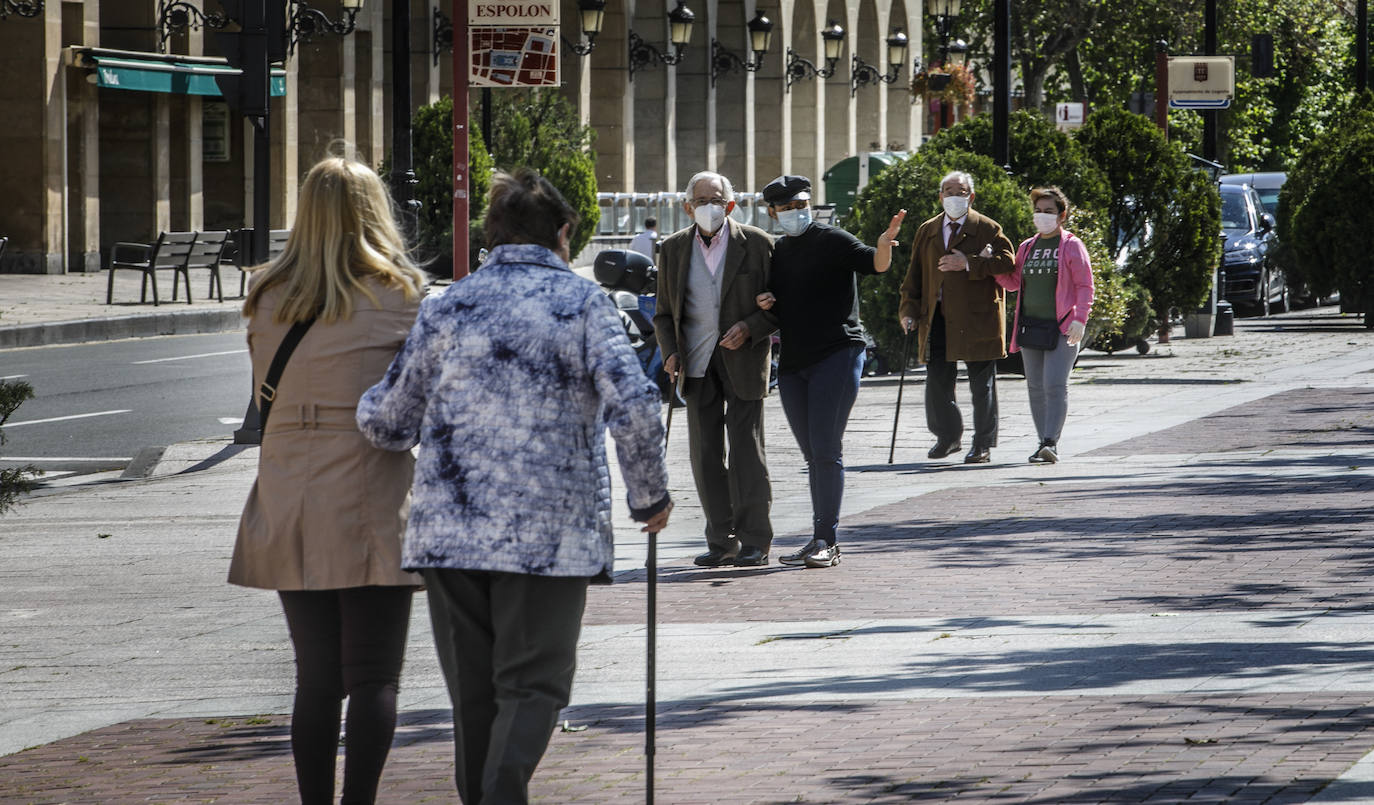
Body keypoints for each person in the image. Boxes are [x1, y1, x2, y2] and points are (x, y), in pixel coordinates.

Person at [356, 168, 672, 805]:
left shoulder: (449, 304)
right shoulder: (584, 304)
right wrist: (651, 496)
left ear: (490, 235)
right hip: (546, 534)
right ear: (563, 235)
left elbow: (389, 420)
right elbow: (634, 405)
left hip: (450, 534)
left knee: (474, 696)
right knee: (535, 684)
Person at [230, 156, 428, 805]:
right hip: (370, 481)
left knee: (315, 675)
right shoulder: (399, 293)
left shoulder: (264, 292)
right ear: (374, 213)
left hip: (289, 484)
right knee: (373, 672)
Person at [754, 175, 906, 568]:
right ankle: (819, 536)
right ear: (772, 213)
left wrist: (885, 245)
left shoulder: (833, 239)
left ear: (810, 203)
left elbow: (874, 263)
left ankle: (827, 540)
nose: (795, 212)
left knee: (825, 449)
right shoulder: (778, 253)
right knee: (814, 455)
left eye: (800, 204)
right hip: (792, 365)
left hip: (837, 355)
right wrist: (767, 301)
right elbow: (778, 305)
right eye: (786, 208)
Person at [653, 170, 777, 567]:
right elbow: (663, 314)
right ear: (687, 206)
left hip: (744, 361)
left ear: (731, 204)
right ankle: (721, 541)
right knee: (705, 456)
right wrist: (670, 351)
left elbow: (779, 305)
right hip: (696, 364)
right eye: (701, 200)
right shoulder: (672, 248)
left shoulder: (758, 243)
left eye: (717, 200)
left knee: (746, 453)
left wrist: (751, 327)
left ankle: (755, 539)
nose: (710, 207)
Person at [898, 170, 1015, 464]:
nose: (954, 197)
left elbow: (1007, 262)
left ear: (971, 197)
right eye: (948, 192)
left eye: (960, 192)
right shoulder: (928, 230)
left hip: (977, 317)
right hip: (936, 316)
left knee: (981, 384)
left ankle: (983, 444)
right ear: (940, 197)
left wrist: (968, 263)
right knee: (937, 381)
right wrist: (909, 309)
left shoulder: (987, 228)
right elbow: (914, 275)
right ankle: (948, 437)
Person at [998, 186, 1094, 463]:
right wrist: (989, 267)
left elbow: (1085, 285)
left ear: (1061, 215)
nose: (1042, 216)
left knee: (1055, 384)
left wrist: (1080, 318)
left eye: (1049, 212)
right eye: (1038, 211)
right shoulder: (1027, 246)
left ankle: (1051, 440)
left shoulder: (1072, 245)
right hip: (1031, 326)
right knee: (1035, 386)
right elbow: (1014, 282)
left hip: (1063, 327)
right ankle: (1042, 442)